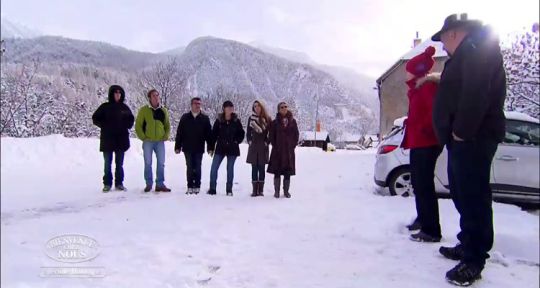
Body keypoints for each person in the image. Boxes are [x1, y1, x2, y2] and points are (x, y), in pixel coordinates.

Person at [431, 13, 506, 286]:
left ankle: (474, 258)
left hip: (472, 137)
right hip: (464, 138)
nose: (443, 47)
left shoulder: (476, 49)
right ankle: (467, 243)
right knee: (462, 193)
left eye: (442, 41)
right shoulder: (470, 51)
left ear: (452, 33)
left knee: (473, 196)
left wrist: (461, 131)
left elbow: (476, 93)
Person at [401, 46, 443, 243]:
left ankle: (431, 229)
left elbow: (435, 114)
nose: (406, 72)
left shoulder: (427, 88)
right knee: (418, 183)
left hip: (427, 142)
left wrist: (424, 130)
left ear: (416, 70)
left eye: (408, 69)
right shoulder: (418, 88)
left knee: (424, 185)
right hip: (420, 141)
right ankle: (423, 219)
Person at [92, 85, 134, 192]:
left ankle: (119, 183)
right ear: (112, 94)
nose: (118, 95)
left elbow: (131, 120)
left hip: (121, 139)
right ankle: (107, 184)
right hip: (108, 140)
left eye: (119, 93)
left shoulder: (124, 108)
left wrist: (125, 124)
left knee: (119, 164)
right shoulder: (105, 107)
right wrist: (105, 125)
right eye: (116, 93)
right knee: (107, 163)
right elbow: (95, 118)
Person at [135, 89, 172, 193]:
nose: (156, 97)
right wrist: (143, 137)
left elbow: (167, 125)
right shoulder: (144, 110)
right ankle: (149, 184)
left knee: (161, 163)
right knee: (148, 163)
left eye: (157, 95)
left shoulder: (163, 110)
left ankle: (160, 184)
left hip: (160, 141)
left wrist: (166, 135)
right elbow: (138, 125)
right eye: (153, 96)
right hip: (148, 141)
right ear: (150, 98)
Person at [174, 97, 212, 195]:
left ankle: (197, 186)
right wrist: (177, 146)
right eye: (195, 103)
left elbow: (209, 135)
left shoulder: (204, 118)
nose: (197, 105)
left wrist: (210, 148)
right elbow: (179, 133)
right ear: (191, 105)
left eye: (199, 104)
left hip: (199, 147)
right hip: (187, 147)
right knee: (190, 166)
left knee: (198, 166)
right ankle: (190, 185)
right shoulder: (185, 117)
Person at [207, 101, 245, 196]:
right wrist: (211, 147)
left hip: (232, 148)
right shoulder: (219, 121)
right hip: (220, 147)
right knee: (214, 168)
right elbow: (213, 135)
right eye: (228, 107)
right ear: (224, 109)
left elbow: (241, 133)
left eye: (231, 107)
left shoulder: (236, 121)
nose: (230, 109)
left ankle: (229, 189)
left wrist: (236, 141)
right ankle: (212, 188)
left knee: (230, 169)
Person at [267, 102, 299, 198]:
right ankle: (276, 191)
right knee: (277, 171)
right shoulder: (274, 122)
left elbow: (296, 135)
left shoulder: (293, 121)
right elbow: (271, 136)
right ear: (278, 109)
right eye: (282, 107)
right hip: (277, 151)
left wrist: (292, 145)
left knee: (287, 172)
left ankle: (286, 191)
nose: (284, 108)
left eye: (285, 107)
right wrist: (275, 146)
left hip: (289, 151)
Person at [246, 100, 272, 197]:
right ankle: (254, 190)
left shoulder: (268, 119)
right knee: (254, 168)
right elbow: (248, 132)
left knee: (261, 168)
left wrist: (267, 142)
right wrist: (249, 141)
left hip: (263, 146)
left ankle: (261, 190)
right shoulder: (251, 118)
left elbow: (271, 133)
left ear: (262, 107)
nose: (257, 107)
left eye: (258, 106)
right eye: (255, 106)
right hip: (253, 146)